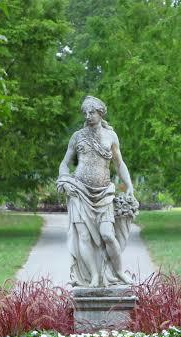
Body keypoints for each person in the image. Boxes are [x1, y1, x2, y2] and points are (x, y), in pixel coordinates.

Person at [56, 96, 135, 287]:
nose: (88, 116)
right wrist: (64, 180)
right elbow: (65, 164)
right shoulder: (77, 136)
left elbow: (119, 163)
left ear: (100, 113)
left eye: (92, 112)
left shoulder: (111, 136)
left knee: (108, 235)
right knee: (84, 236)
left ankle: (118, 272)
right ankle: (93, 276)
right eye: (85, 113)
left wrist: (129, 186)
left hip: (103, 193)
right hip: (80, 192)